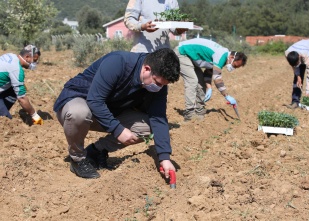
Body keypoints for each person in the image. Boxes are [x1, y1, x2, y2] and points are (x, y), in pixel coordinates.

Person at [53, 48, 180, 179]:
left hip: (107, 110)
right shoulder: (118, 62)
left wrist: (164, 157)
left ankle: (97, 150)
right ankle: (77, 159)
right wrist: (117, 129)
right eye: (157, 82)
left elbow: (158, 118)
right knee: (78, 113)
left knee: (147, 127)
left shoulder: (158, 85)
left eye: (162, 85)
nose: (158, 88)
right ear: (147, 69)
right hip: (79, 102)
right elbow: (95, 100)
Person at [173, 38, 247, 121]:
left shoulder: (222, 58)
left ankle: (199, 112)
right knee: (192, 81)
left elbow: (208, 72)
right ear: (231, 57)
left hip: (192, 57)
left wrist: (209, 87)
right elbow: (217, 77)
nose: (234, 68)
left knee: (201, 83)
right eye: (235, 65)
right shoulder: (221, 55)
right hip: (183, 53)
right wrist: (226, 95)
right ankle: (189, 115)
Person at [0, 44, 43, 124]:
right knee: (6, 122)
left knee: (15, 89)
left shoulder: (10, 56)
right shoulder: (16, 70)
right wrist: (35, 116)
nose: (35, 63)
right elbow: (22, 99)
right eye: (34, 60)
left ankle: (3, 111)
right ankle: (3, 115)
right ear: (27, 57)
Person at [285, 39, 309, 109]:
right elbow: (294, 66)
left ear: (299, 57)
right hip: (304, 49)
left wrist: (308, 91)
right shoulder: (287, 54)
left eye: (297, 63)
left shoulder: (307, 56)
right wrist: (298, 76)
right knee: (297, 79)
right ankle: (295, 101)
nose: (296, 66)